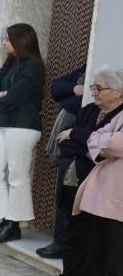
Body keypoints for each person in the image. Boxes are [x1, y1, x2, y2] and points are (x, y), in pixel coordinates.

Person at [41, 69, 123, 276]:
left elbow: (106, 151)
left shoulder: (118, 116)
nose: (94, 92)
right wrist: (88, 145)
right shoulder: (88, 111)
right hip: (72, 180)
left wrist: (82, 139)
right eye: (93, 88)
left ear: (118, 92)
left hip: (99, 189)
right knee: (72, 237)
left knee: (91, 244)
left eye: (99, 88)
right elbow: (66, 144)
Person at [0, 23, 45, 244]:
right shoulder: (10, 64)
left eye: (7, 39)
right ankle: (3, 218)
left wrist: (1, 97)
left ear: (21, 41)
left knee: (17, 176)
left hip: (23, 126)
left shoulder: (33, 67)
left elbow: (15, 97)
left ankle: (13, 225)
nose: (4, 43)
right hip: (3, 124)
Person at [71, 78, 123, 276]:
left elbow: (116, 145)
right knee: (99, 262)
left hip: (119, 206)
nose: (96, 93)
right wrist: (104, 141)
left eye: (100, 88)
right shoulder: (120, 116)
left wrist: (105, 141)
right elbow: (95, 137)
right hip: (103, 201)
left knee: (116, 270)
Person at [38, 66, 86, 258]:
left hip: (81, 150)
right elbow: (56, 87)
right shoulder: (85, 69)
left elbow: (78, 104)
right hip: (68, 150)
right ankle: (59, 242)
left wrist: (68, 98)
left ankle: (65, 245)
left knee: (73, 201)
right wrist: (75, 90)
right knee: (64, 197)